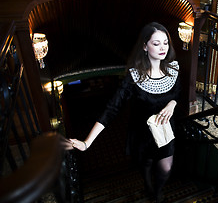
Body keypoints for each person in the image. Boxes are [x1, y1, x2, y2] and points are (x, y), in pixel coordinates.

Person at [69, 22, 181, 202]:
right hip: (142, 133)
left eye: (165, 43)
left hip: (165, 131)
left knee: (166, 168)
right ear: (145, 46)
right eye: (156, 43)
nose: (163, 48)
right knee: (146, 164)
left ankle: (157, 192)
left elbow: (177, 93)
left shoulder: (173, 69)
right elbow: (112, 108)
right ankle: (147, 185)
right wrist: (86, 142)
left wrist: (172, 103)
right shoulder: (134, 77)